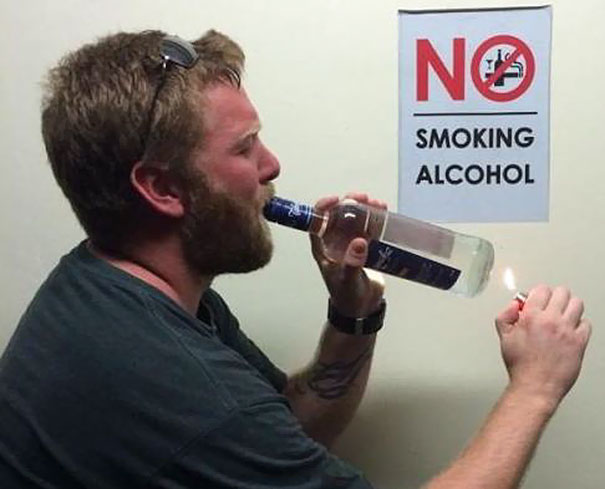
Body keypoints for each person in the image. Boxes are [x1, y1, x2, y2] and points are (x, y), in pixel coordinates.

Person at [0, 29, 591, 489]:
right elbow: (237, 424)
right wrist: (534, 389)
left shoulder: (114, 287)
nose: (272, 164)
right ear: (162, 188)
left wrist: (353, 315)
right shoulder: (177, 383)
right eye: (244, 147)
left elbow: (290, 425)